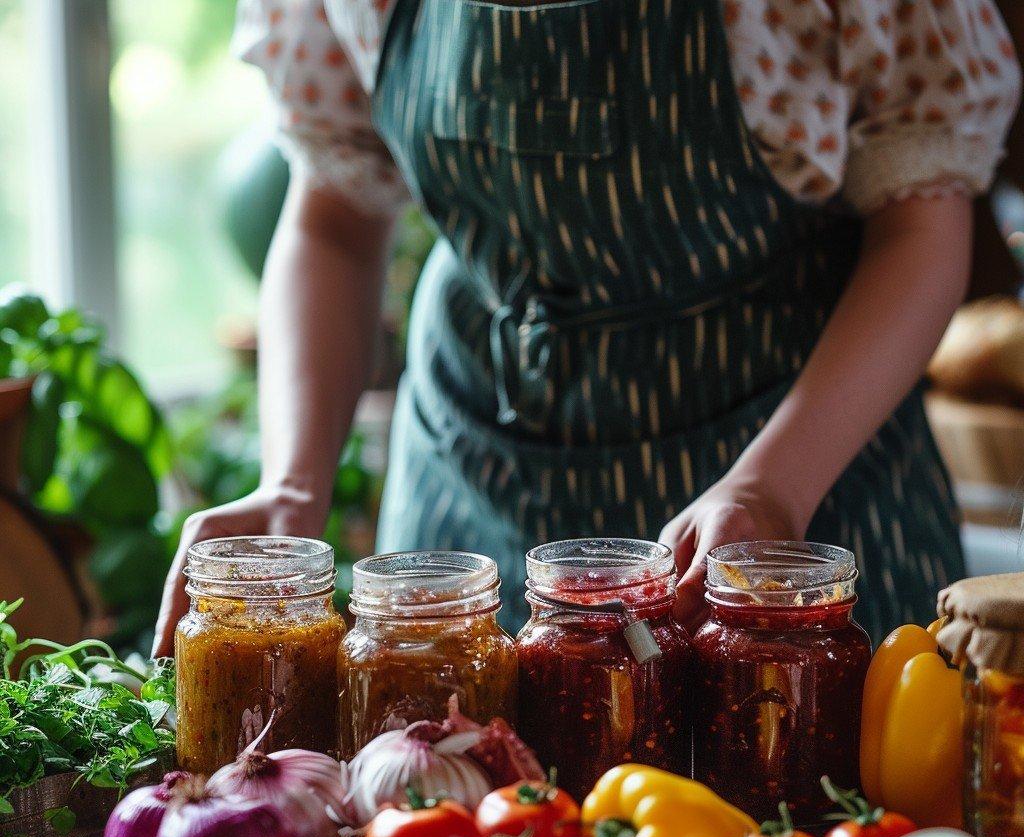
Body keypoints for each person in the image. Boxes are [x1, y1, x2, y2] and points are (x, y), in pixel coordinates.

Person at [155, 0, 1021, 654]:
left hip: (796, 480)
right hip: (471, 476)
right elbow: (334, 218)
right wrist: (293, 484)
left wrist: (771, 488)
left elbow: (920, 224)